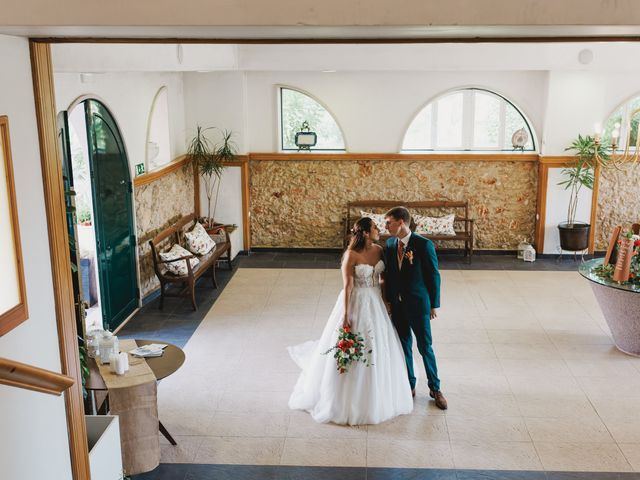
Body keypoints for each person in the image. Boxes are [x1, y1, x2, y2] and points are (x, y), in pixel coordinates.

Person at [287, 217, 413, 425]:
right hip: (356, 301)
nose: (378, 230)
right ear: (364, 232)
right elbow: (347, 287)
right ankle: (345, 398)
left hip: (375, 302)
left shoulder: (380, 250)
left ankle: (377, 392)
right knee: (355, 345)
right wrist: (347, 316)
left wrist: (385, 300)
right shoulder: (350, 255)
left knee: (377, 343)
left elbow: (382, 278)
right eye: (374, 228)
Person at [383, 206, 447, 410]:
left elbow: (433, 275)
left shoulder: (423, 245)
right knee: (404, 346)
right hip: (398, 306)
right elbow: (390, 276)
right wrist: (389, 300)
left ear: (401, 222)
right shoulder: (390, 244)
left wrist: (433, 304)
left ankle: (435, 388)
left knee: (425, 347)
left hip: (419, 305)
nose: (386, 226)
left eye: (389, 222)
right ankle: (409, 385)